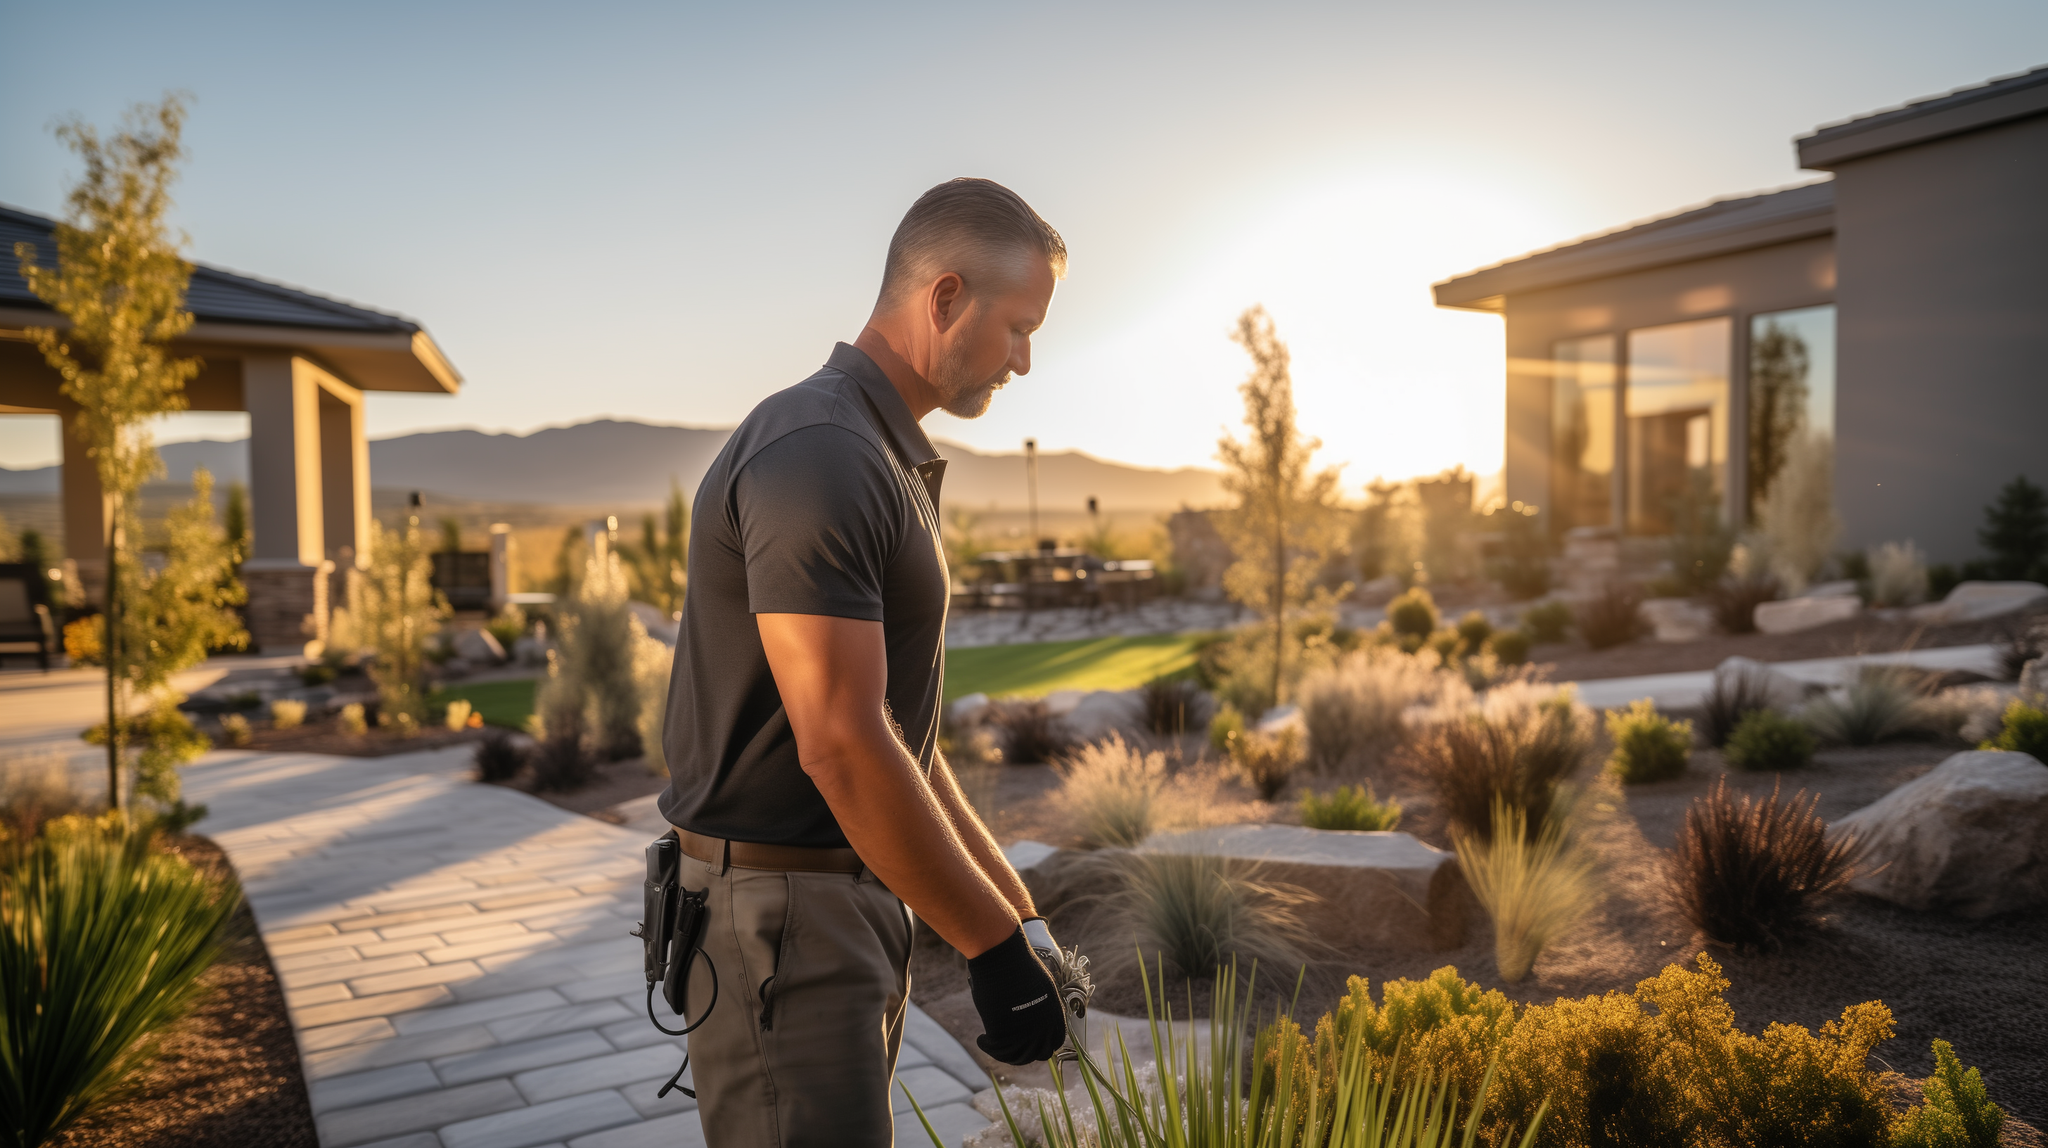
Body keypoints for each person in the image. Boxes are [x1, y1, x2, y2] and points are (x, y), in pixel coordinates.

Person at [656, 177, 1076, 1148]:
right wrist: (989, 948)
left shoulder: (878, 452)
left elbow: (897, 737)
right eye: (1017, 327)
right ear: (943, 298)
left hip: (830, 907)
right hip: (782, 921)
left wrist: (1020, 923)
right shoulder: (822, 453)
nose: (1023, 359)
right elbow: (841, 743)